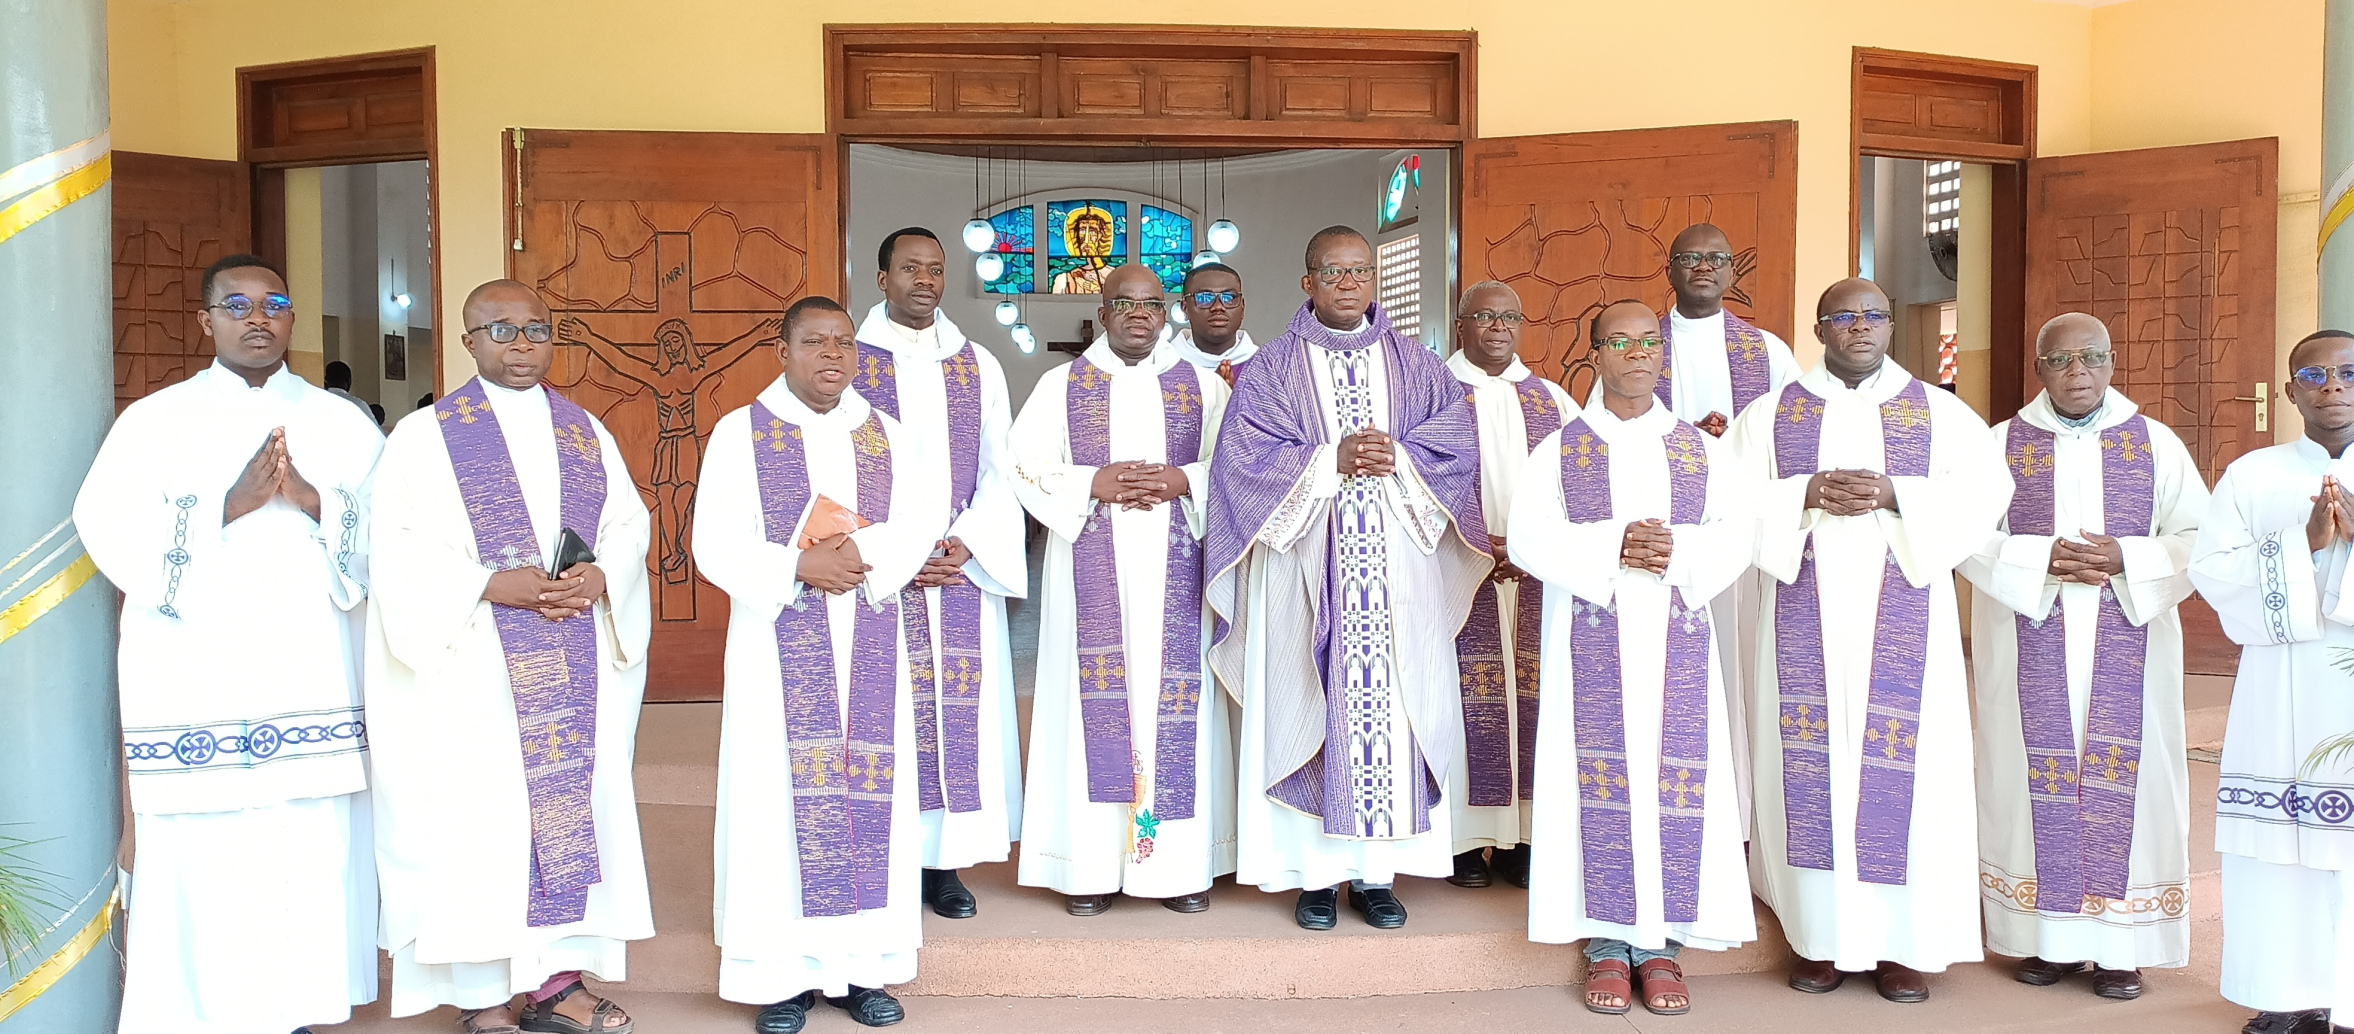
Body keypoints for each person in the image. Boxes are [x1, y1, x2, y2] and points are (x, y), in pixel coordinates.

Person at [77, 253, 383, 1033]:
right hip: (197, 674)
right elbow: (105, 525)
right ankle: (199, 1014)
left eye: (273, 304)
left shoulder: (343, 423)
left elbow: (392, 534)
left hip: (311, 669)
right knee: (207, 846)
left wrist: (315, 501)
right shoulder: (154, 421)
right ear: (205, 320)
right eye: (237, 305)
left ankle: (297, 1010)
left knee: (306, 842)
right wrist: (227, 505)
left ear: (291, 318)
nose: (257, 319)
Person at [365, 279, 653, 1034]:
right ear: (468, 342)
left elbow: (629, 525)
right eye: (501, 330)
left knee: (565, 813)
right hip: (475, 665)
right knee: (480, 825)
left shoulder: (585, 431)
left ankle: (556, 983)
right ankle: (482, 996)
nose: (521, 344)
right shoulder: (423, 438)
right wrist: (491, 583)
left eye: (536, 329)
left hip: (572, 654)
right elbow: (394, 548)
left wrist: (601, 576)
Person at [1725, 277, 2010, 1003]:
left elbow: (1985, 496)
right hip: (1803, 615)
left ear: (1890, 326)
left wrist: (1895, 494)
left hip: (1906, 617)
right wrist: (1803, 492)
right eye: (1844, 316)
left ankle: (1900, 946)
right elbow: (1723, 499)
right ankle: (1817, 939)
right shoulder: (1771, 413)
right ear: (1819, 327)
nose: (1860, 327)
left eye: (1873, 316)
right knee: (1807, 765)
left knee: (1909, 771)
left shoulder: (1940, 413)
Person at [1205, 225, 1489, 932]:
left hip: (1396, 573)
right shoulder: (1270, 369)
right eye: (1332, 272)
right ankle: (1313, 877)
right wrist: (1328, 461)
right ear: (1308, 282)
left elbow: (1457, 445)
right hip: (1302, 566)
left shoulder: (1419, 366)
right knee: (1306, 700)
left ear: (1374, 279)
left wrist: (1401, 457)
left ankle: (1376, 877)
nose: (1348, 283)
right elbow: (1240, 463)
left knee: (1393, 712)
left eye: (1359, 271)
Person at [695, 295, 947, 1033]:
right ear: (783, 352)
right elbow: (714, 538)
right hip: (776, 641)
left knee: (871, 792)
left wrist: (858, 556)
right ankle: (779, 977)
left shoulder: (887, 433)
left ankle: (862, 970)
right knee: (775, 797)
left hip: (869, 623)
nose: (833, 354)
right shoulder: (740, 431)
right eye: (814, 342)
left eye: (843, 342)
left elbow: (919, 517)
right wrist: (797, 568)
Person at [1510, 300, 1757, 1016]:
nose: (1638, 353)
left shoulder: (1700, 450)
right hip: (1590, 639)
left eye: (1649, 341)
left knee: (1672, 777)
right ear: (1595, 355)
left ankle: (1662, 946)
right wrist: (1613, 546)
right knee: (1598, 778)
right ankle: (1607, 944)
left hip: (1678, 640)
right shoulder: (1561, 450)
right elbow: (1528, 535)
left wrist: (1675, 549)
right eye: (1619, 342)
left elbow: (1736, 533)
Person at [1964, 313, 2206, 1000]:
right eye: (2061, 360)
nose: (2078, 372)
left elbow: (2199, 534)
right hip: (2028, 638)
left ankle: (2121, 948)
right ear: (2038, 367)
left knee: (2133, 777)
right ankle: (2048, 940)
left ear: (2112, 361)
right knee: (2027, 775)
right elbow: (1966, 533)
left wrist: (2127, 556)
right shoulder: (1999, 444)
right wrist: (2040, 559)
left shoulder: (2154, 442)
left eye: (2092, 358)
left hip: (2128, 637)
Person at [1012, 265, 1235, 916]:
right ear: (1102, 313)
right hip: (1090, 567)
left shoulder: (1204, 387)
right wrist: (1091, 483)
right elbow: (1022, 462)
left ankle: (1179, 865)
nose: (1139, 314)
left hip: (1178, 566)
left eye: (1151, 304)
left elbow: (1236, 464)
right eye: (1125, 304)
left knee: (1176, 703)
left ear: (1167, 315)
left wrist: (1184, 480)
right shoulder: (1060, 385)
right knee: (1090, 703)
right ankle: (1087, 868)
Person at [854, 227, 1028, 918]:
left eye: (934, 268)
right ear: (882, 279)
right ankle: (889, 855)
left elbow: (1001, 467)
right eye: (909, 268)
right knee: (890, 713)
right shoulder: (848, 360)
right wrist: (897, 550)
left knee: (958, 717)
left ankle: (944, 864)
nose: (924, 280)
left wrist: (966, 541)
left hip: (956, 569)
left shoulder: (977, 363)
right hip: (882, 575)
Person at [2190, 329, 2354, 1034]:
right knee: (2275, 844)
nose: (2333, 386)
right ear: (2290, 392)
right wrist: (2301, 544)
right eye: (2313, 376)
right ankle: (2285, 993)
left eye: (2348, 372)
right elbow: (2210, 569)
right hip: (2280, 681)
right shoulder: (2252, 474)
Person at [1656, 223, 1801, 836]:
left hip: (1746, 539)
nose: (1703, 267)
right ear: (1670, 268)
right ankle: (1686, 813)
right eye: (1690, 257)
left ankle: (1747, 818)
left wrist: (1729, 447)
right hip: (1669, 541)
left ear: (1733, 270)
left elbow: (1796, 439)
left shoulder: (1768, 352)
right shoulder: (1637, 342)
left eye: (1716, 257)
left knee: (1746, 673)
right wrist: (1684, 442)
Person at [1441, 279, 1571, 891]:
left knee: (1534, 700)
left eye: (1510, 318)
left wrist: (1530, 546)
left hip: (1535, 575)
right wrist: (1474, 544)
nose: (1498, 328)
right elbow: (1415, 481)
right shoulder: (1434, 394)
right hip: (1457, 572)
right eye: (1485, 317)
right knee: (1459, 701)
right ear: (1461, 324)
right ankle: (1463, 842)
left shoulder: (1553, 401)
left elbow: (1580, 486)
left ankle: (1522, 837)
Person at [1174, 262, 1256, 386]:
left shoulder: (1266, 366)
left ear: (1242, 307)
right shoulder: (1164, 364)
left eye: (1228, 297)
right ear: (1185, 309)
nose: (1218, 307)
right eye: (1204, 298)